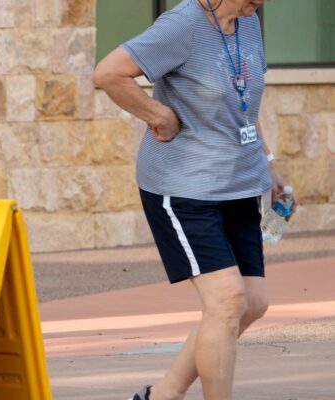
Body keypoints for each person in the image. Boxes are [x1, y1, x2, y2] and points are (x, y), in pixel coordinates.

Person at [93, 0, 295, 399]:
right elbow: (109, 72)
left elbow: (243, 102)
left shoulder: (247, 22)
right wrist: (158, 115)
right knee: (227, 299)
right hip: (184, 186)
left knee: (251, 302)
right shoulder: (182, 24)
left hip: (237, 182)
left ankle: (163, 394)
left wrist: (268, 163)